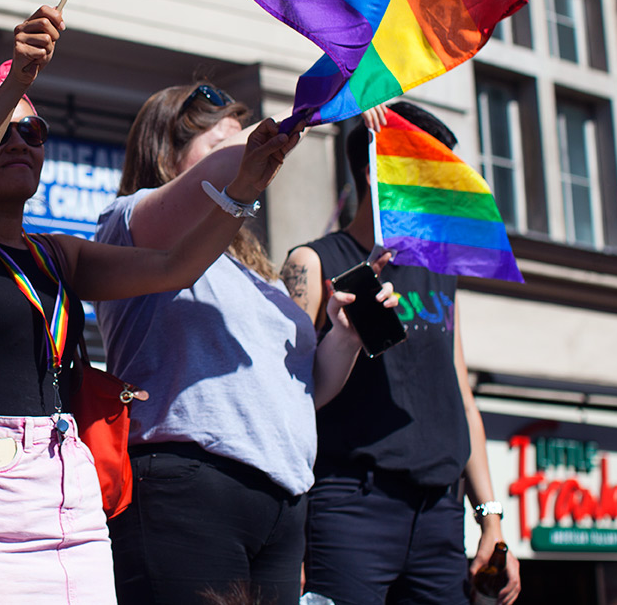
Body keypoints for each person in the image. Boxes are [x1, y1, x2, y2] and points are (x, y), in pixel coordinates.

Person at [0, 7, 302, 604]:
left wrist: (244, 189)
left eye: (32, 132)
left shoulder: (59, 256)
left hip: (71, 497)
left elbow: (176, 267)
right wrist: (15, 84)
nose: (19, 140)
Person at [92, 85, 395, 605]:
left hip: (281, 504)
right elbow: (203, 189)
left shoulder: (264, 278)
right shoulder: (132, 221)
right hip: (188, 490)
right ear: (168, 156)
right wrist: (314, 106)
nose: (253, 156)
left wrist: (344, 334)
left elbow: (304, 390)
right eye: (223, 146)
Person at [281, 101, 522, 605]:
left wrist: (491, 520)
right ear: (377, 171)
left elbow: (462, 399)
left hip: (439, 515)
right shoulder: (313, 262)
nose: (439, 190)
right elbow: (286, 400)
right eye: (425, 169)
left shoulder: (440, 270)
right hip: (349, 506)